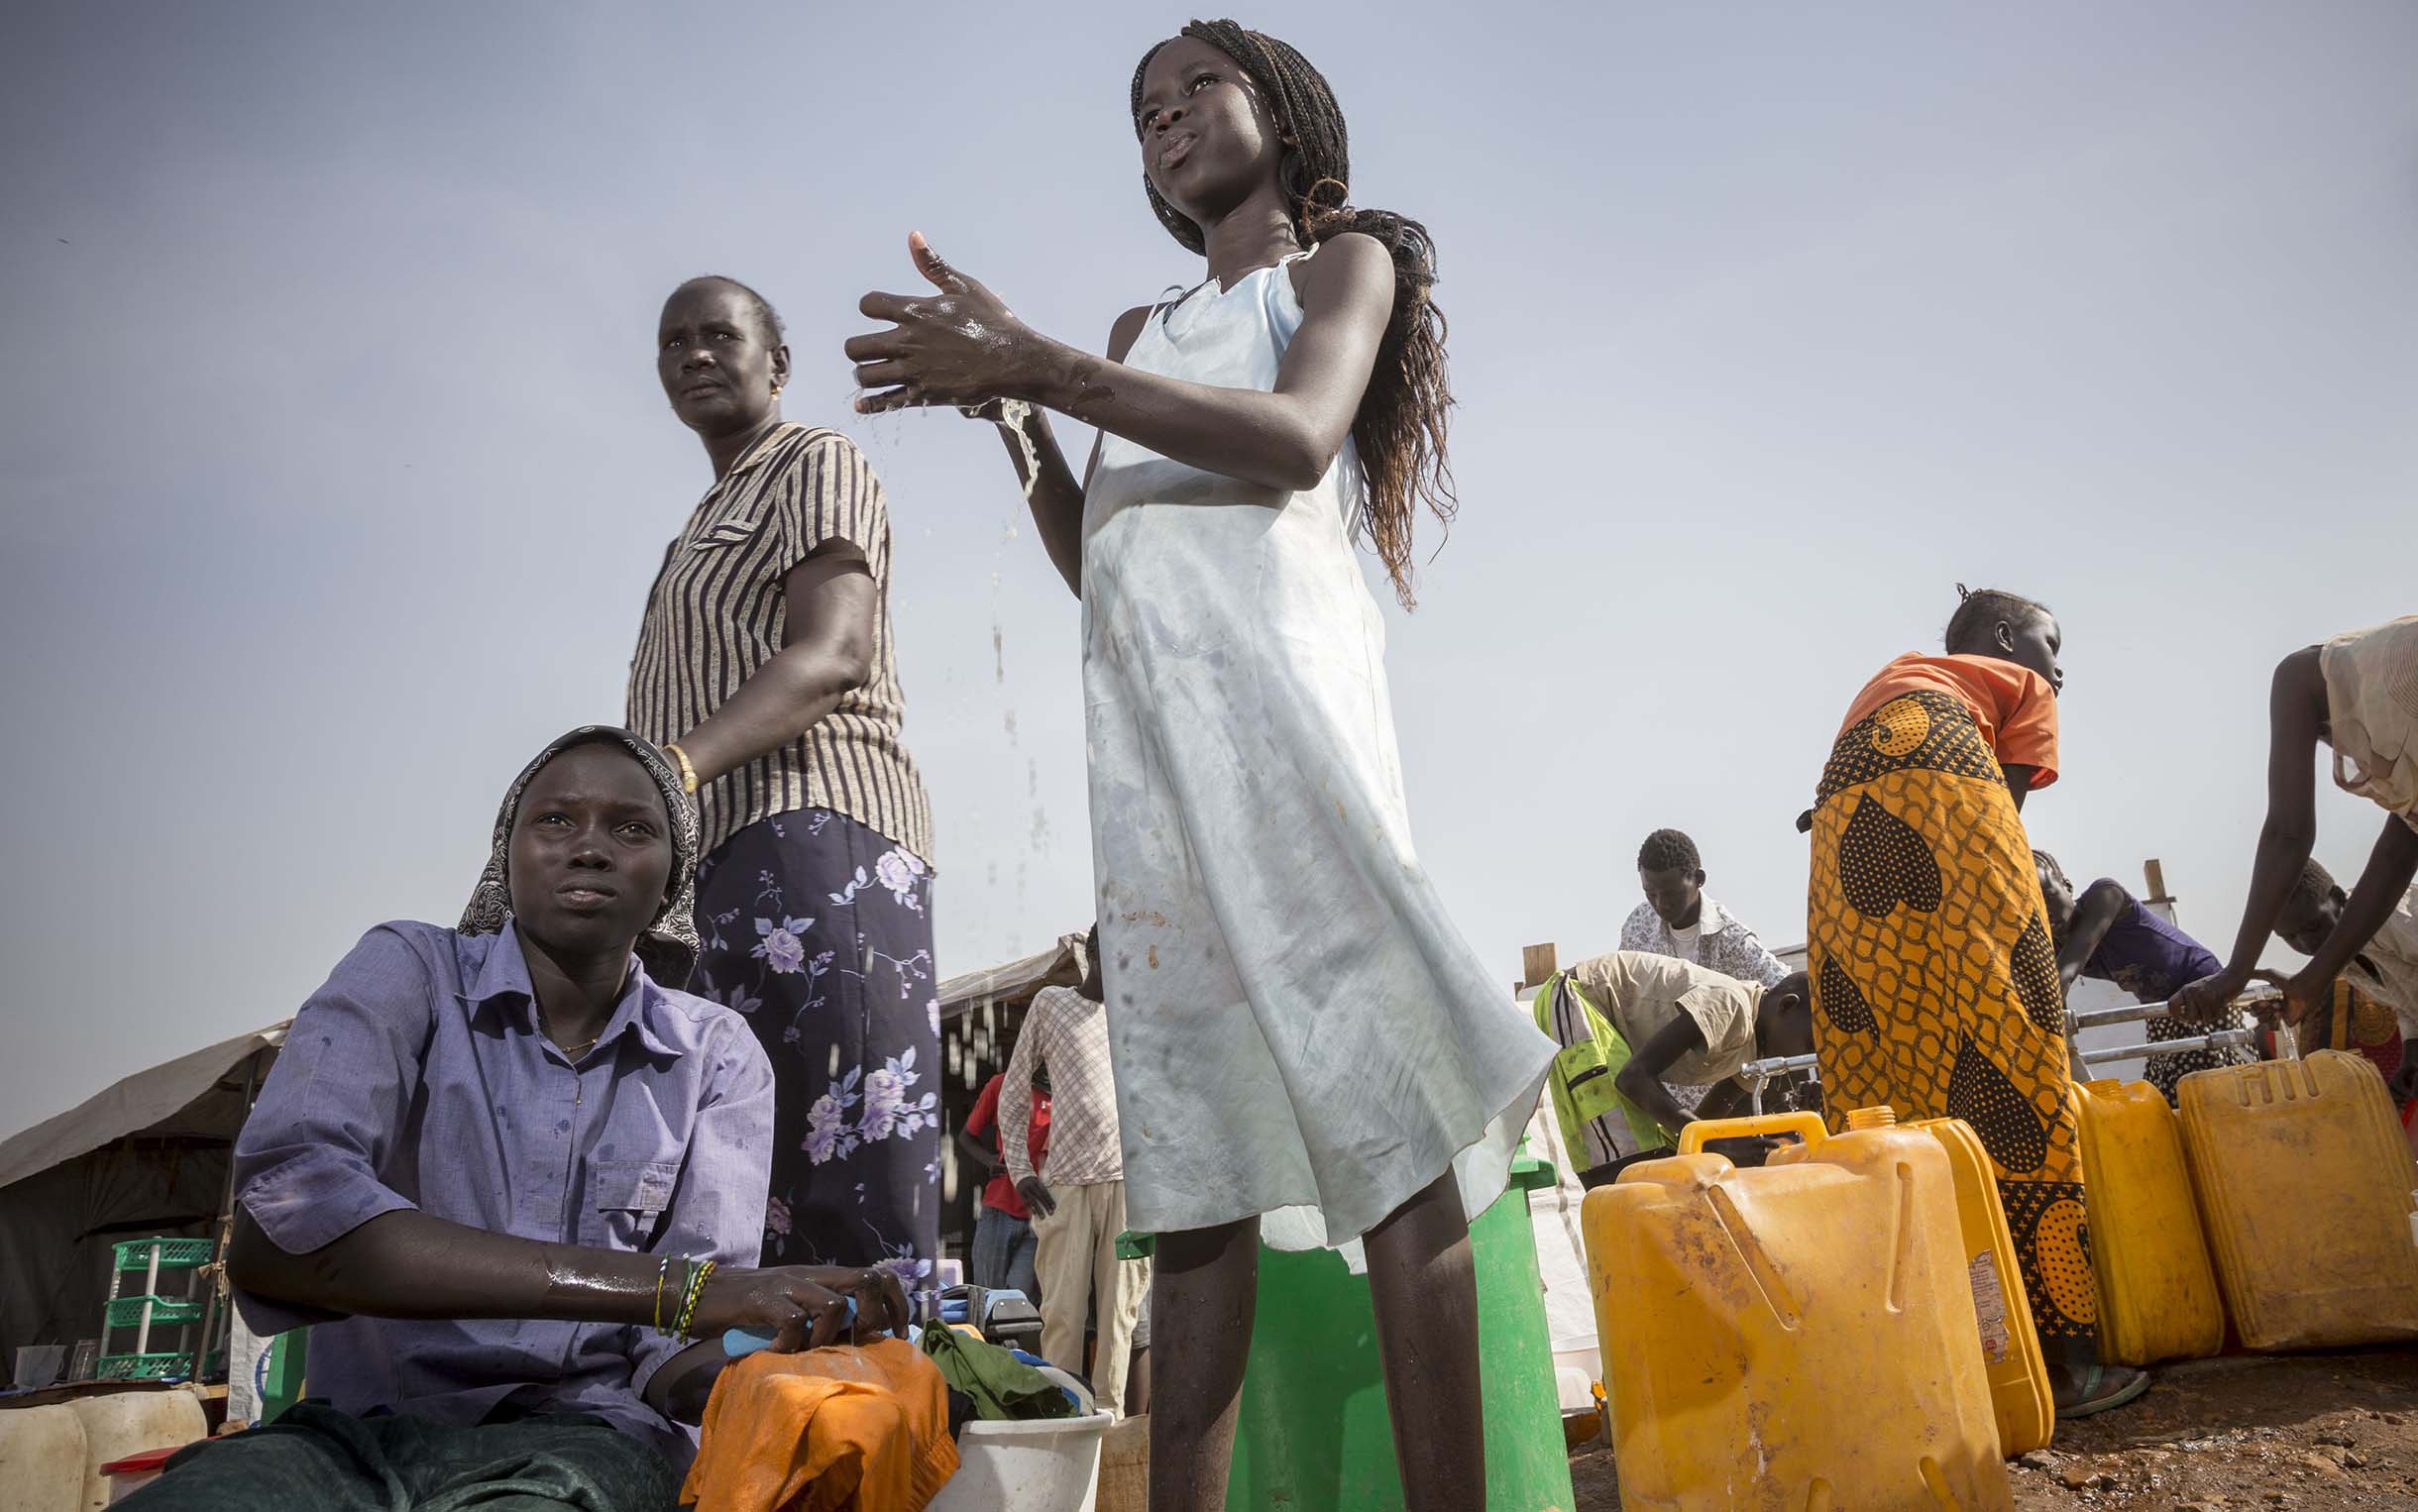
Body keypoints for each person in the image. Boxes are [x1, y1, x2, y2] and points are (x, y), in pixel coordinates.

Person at [841, 22, 1556, 1507]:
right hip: (1156, 777)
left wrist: (1035, 357)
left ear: (1282, 116)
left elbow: (1295, 439)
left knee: (1391, 1118)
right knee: (1201, 1167)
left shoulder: (1337, 271)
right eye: (1143, 112)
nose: (1165, 121)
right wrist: (1023, 420)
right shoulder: (1137, 328)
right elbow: (1104, 561)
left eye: (1195, 92)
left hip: (1289, 729)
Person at [123, 728, 910, 1509]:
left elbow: (675, 1351)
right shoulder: (409, 971)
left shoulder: (717, 1053)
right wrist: (679, 1289)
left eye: (633, 829)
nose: (590, 848)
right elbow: (284, 1230)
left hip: (591, 1443)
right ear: (509, 853)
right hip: (356, 1437)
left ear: (671, 881)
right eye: (556, 821)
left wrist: (792, 1348)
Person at [631, 275, 939, 1300]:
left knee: (850, 1175)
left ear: (778, 361)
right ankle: (790, 1431)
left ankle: (892, 1424)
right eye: (674, 340)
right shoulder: (697, 523)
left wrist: (669, 767)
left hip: (817, 832)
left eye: (721, 334)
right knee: (752, 1177)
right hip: (719, 859)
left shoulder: (812, 460)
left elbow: (834, 651)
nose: (695, 354)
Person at [1804, 587, 2143, 1417]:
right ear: (2002, 638)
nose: (2058, 667)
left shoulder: (1890, 681)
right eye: (2049, 642)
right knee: (2018, 1049)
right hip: (1950, 784)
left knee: (1887, 1070)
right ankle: (2074, 1363)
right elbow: (1998, 817)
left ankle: (1941, 1368)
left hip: (1840, 798)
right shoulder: (2018, 688)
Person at [2172, 617, 2418, 1031]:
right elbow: (2399, 851)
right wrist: (2310, 982)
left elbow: (2289, 833)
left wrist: (2235, 973)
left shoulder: (2299, 678)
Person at [998, 929, 1148, 1419]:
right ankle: (1058, 1421)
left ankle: (1110, 1424)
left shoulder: (1136, 1016)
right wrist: (1020, 1170)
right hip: (1065, 1182)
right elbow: (1014, 1090)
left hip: (1128, 1186)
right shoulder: (1052, 1004)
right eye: (1113, 950)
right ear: (1092, 953)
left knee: (1119, 1318)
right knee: (1061, 1315)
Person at [1532, 951, 1813, 1184]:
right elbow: (1633, 1078)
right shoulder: (1732, 1006)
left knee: (1666, 1157)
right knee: (1627, 1163)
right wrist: (1717, 1145)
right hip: (1579, 998)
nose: (1806, 1056)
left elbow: (1701, 1125)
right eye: (1809, 1043)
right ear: (1787, 1007)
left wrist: (1731, 1148)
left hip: (1619, 1039)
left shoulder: (1755, 1052)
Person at [2033, 850, 2253, 1103]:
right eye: (2032, 902)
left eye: (2048, 895)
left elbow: (2063, 976)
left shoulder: (2104, 896)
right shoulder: (2056, 945)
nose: (2044, 909)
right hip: (2162, 1008)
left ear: (2067, 885)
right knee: (2166, 1096)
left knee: (2211, 1087)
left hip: (2202, 988)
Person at [2273, 858, 2418, 1105]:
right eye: (2290, 937)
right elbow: (2407, 1003)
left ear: (2338, 898)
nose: (2307, 945)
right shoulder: (2343, 956)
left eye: (2313, 927)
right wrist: (2412, 1056)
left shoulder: (2389, 916)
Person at [1620, 828, 1790, 988]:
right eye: (1650, 894)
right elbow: (1620, 985)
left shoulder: (1732, 941)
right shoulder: (1638, 925)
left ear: (1698, 879)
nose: (1660, 904)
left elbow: (1785, 985)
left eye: (1671, 893)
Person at [957, 1066, 1050, 1302]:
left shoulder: (1067, 1093)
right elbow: (966, 1136)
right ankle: (980, 1341)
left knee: (1017, 1301)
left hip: (1039, 1216)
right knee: (985, 1299)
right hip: (1000, 1209)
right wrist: (989, 1159)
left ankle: (1009, 1340)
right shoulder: (1002, 1085)